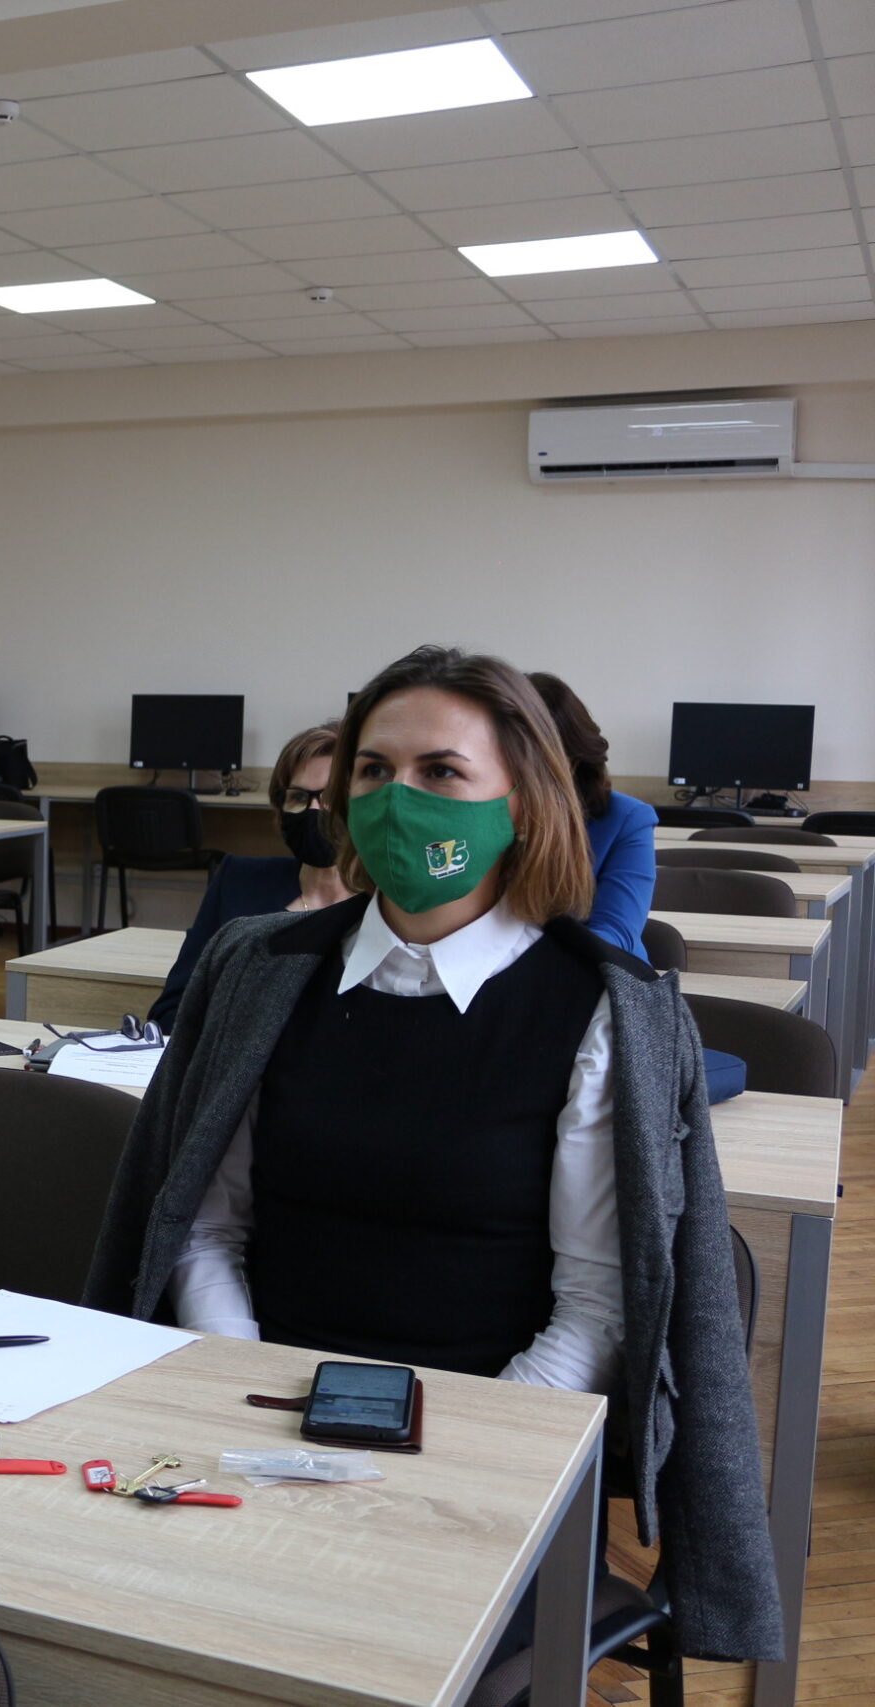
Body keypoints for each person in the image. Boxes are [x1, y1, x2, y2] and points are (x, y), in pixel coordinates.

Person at [87, 645, 777, 1662]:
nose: (397, 799)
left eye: (441, 772)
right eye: (372, 769)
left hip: (492, 1440)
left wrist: (443, 1456)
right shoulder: (264, 968)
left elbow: (597, 1307)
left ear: (524, 803)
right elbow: (202, 1226)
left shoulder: (600, 1007)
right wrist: (250, 1399)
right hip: (248, 1408)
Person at [150, 721, 350, 1032]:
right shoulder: (238, 881)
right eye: (298, 797)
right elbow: (171, 1010)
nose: (313, 810)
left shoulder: (390, 909)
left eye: (329, 798)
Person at [530, 671, 657, 960]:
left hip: (594, 974)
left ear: (573, 761)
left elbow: (616, 932)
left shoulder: (626, 818)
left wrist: (518, 968)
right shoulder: (474, 817)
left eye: (536, 757)